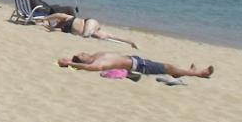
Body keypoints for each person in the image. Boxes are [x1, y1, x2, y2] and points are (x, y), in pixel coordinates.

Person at [58, 51, 214, 79]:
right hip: (139, 66)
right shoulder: (98, 63)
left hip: (137, 60)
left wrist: (71, 61)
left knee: (169, 67)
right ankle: (200, 73)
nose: (84, 53)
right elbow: (89, 68)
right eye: (82, 55)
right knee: (167, 67)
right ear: (85, 61)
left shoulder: (96, 55)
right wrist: (70, 64)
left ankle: (185, 72)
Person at [37, 12, 138, 48]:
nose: (55, 22)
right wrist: (46, 26)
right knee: (106, 36)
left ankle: (88, 34)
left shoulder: (67, 18)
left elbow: (57, 15)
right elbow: (52, 30)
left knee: (86, 35)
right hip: (91, 29)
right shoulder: (62, 29)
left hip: (89, 22)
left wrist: (45, 18)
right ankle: (130, 42)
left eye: (55, 21)